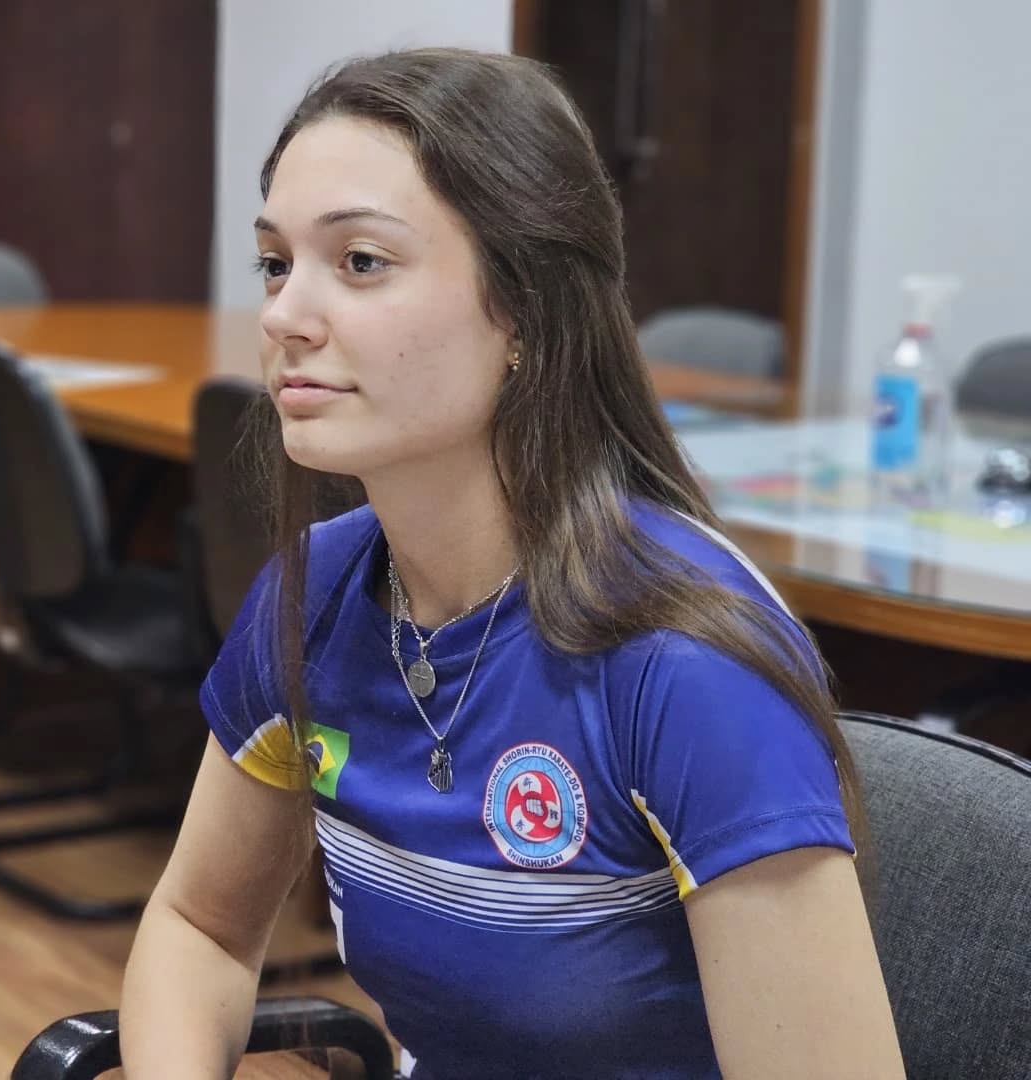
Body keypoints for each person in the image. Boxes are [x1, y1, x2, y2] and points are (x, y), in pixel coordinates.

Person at [121, 48, 904, 1079]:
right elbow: (201, 929)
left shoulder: (685, 665)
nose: (283, 317)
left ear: (525, 312)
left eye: (361, 262)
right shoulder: (314, 598)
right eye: (277, 262)